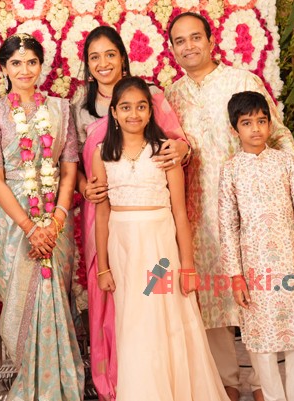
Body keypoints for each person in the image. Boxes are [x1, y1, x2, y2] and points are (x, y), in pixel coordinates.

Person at [165, 11, 294, 401]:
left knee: (259, 294)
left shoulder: (242, 81)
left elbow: (279, 134)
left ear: (211, 40)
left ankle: (260, 383)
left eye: (195, 37)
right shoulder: (172, 96)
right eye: (180, 41)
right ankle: (228, 380)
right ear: (172, 49)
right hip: (200, 210)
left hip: (255, 212)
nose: (189, 46)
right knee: (211, 296)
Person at [71, 25, 190, 400]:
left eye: (110, 54)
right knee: (113, 296)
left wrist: (181, 150)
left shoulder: (149, 95)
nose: (103, 63)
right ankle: (116, 381)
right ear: (87, 65)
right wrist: (83, 187)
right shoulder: (81, 108)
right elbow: (71, 162)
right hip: (105, 215)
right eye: (94, 57)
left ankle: (155, 378)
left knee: (152, 303)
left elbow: (177, 143)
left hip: (152, 216)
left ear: (122, 57)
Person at [92, 76, 229, 401]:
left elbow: (180, 213)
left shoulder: (164, 151)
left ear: (150, 112)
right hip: (123, 247)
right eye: (126, 107)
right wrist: (103, 267)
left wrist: (188, 266)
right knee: (133, 322)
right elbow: (102, 213)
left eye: (141, 107)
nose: (134, 114)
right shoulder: (103, 153)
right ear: (114, 112)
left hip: (160, 245)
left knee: (165, 318)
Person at [0, 33, 84, 400]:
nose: (24, 70)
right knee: (20, 301)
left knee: (56, 298)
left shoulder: (60, 109)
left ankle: (61, 383)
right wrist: (29, 227)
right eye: (16, 63)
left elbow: (69, 169)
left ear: (41, 66)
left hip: (55, 220)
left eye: (31, 62)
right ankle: (26, 377)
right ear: (3, 68)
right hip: (12, 224)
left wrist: (55, 220)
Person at [219, 91, 294, 401]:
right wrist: (236, 276)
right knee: (261, 342)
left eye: (261, 121)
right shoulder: (231, 170)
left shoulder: (285, 163)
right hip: (254, 272)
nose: (256, 129)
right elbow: (228, 227)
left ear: (269, 124)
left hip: (290, 266)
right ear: (234, 129)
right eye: (247, 123)